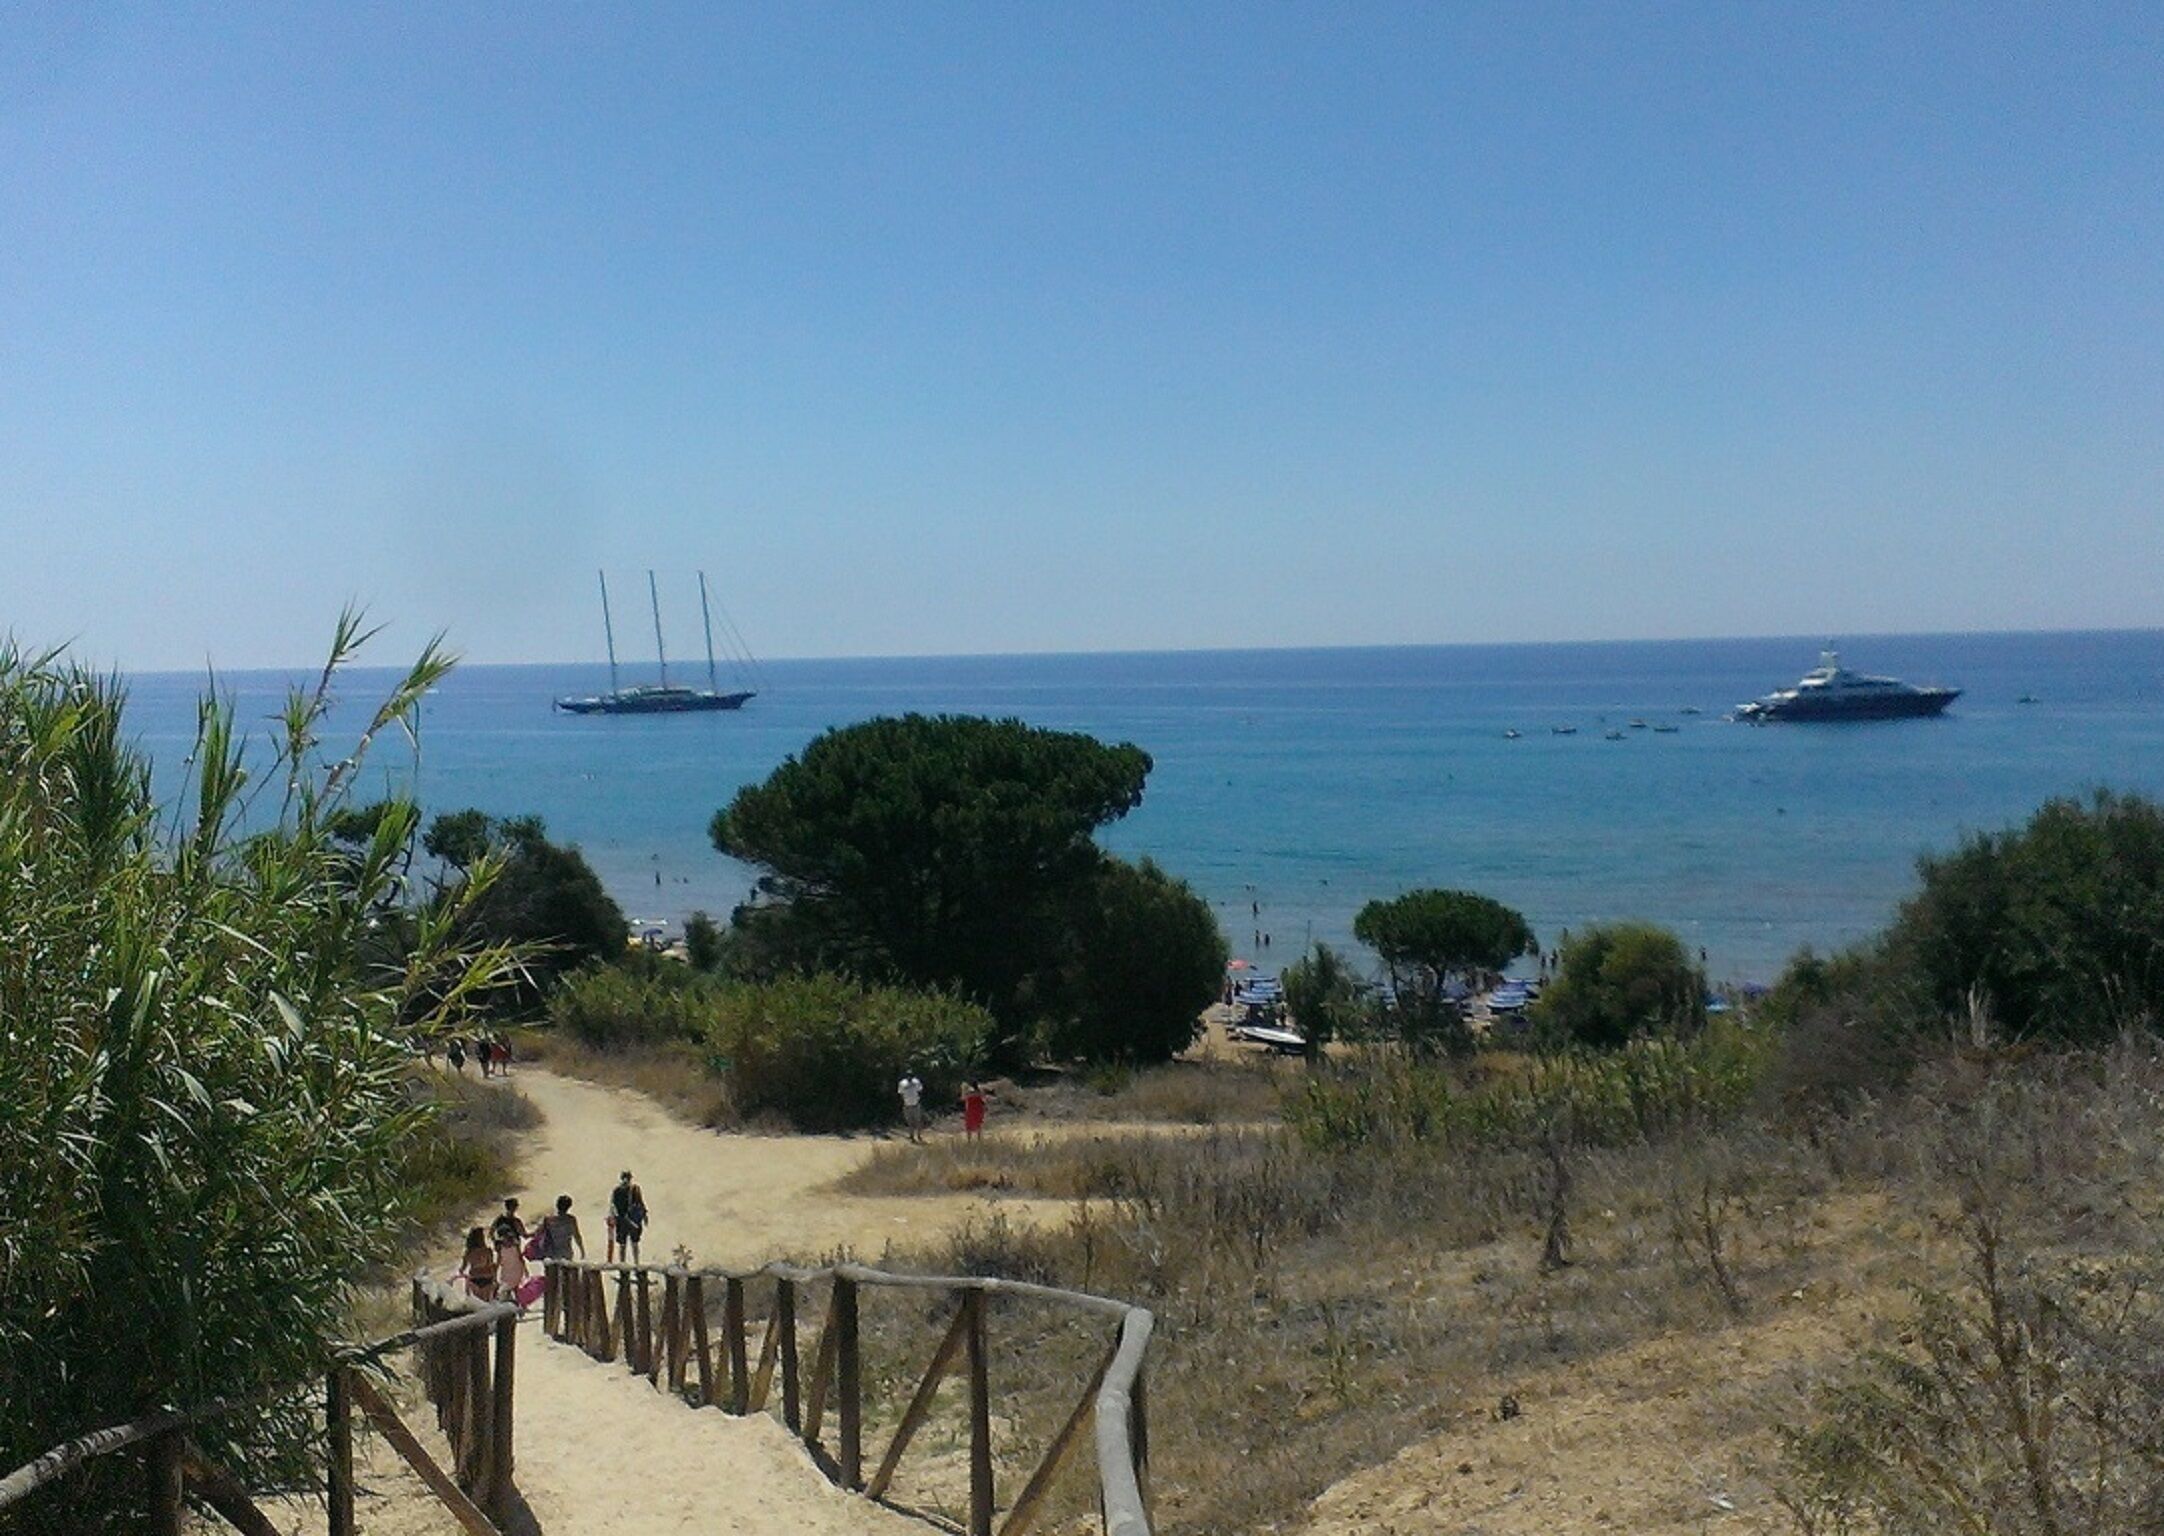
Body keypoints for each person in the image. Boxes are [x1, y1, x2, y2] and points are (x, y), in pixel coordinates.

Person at [610, 1171, 648, 1264]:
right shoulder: (618, 1190)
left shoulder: (633, 1189)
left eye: (627, 1178)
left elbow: (640, 1202)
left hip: (629, 1220)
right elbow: (613, 1205)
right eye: (625, 1178)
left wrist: (644, 1215)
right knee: (625, 1244)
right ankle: (626, 1265)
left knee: (632, 1243)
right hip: (625, 1220)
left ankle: (635, 1264)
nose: (626, 1180)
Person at [537, 1193, 585, 1262]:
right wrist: (582, 1250)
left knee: (552, 1271)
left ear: (557, 1205)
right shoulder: (571, 1219)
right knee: (566, 1271)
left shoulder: (548, 1219)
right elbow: (577, 1236)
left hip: (551, 1253)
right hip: (566, 1252)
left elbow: (539, 1233)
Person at [459, 1226, 498, 1301]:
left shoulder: (468, 1253)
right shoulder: (487, 1251)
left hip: (474, 1280)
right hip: (487, 1279)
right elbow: (490, 1265)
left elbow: (462, 1269)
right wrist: (495, 1279)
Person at [897, 1071, 925, 1144]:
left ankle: (919, 1135)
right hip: (907, 1105)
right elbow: (900, 1093)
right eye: (908, 1075)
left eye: (911, 1076)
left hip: (915, 1105)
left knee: (918, 1121)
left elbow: (920, 1091)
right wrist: (903, 1102)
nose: (910, 1077)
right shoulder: (902, 1083)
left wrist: (918, 1100)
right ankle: (911, 1135)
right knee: (910, 1122)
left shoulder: (917, 1082)